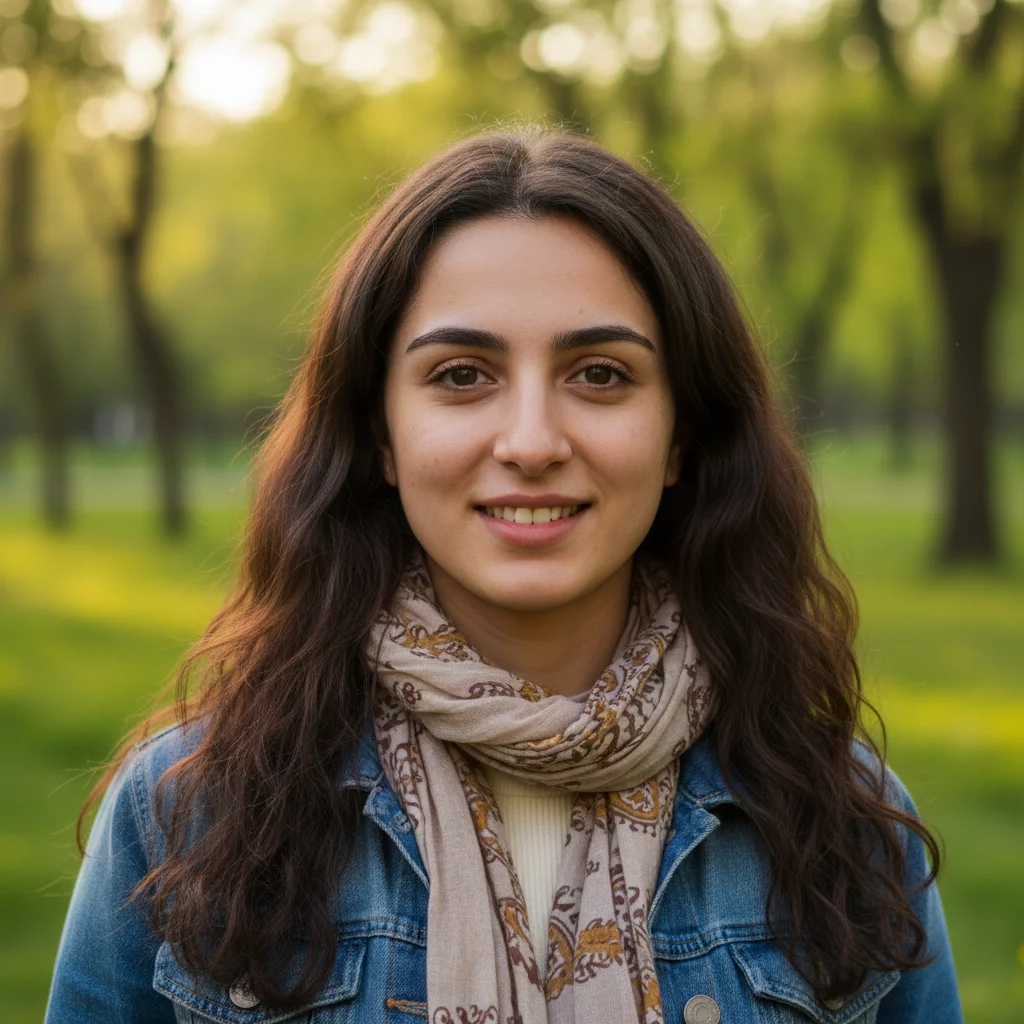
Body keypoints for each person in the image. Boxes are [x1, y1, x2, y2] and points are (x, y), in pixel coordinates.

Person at [45, 127, 962, 1024]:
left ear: (682, 434)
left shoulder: (845, 820)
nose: (530, 442)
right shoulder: (188, 814)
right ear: (380, 435)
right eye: (461, 375)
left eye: (600, 374)